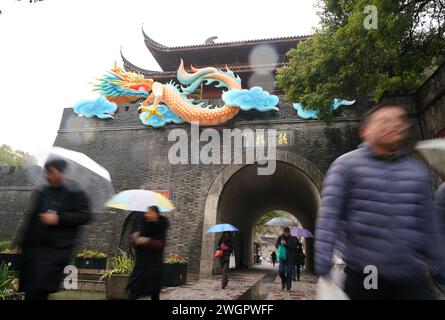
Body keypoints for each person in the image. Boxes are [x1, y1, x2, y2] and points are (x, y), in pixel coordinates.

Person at [315, 105, 438, 300]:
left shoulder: (416, 171)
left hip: (412, 274)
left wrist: (439, 266)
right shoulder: (346, 166)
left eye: (399, 121)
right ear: (365, 131)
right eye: (384, 121)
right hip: (367, 272)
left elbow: (431, 226)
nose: (393, 125)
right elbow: (329, 218)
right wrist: (323, 264)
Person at [18, 159, 91, 300]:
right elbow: (32, 218)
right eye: (46, 172)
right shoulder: (43, 192)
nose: (48, 176)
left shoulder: (76, 192)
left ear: (63, 173)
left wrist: (59, 218)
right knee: (31, 291)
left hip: (54, 252)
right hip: (34, 252)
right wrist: (22, 244)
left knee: (37, 291)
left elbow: (85, 216)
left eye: (52, 172)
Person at [126, 205, 169, 300]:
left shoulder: (161, 226)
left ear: (156, 214)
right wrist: (135, 239)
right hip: (141, 265)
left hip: (154, 266)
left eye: (150, 212)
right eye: (147, 212)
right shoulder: (144, 224)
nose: (147, 214)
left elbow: (160, 244)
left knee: (154, 292)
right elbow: (137, 244)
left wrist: (147, 241)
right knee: (134, 290)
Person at [276, 227, 296, 291]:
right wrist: (280, 244)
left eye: (288, 233)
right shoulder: (280, 237)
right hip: (282, 257)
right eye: (286, 233)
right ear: (284, 232)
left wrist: (285, 244)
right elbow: (276, 245)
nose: (287, 234)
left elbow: (294, 247)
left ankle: (288, 287)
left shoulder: (292, 238)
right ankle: (283, 281)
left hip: (290, 257)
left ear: (289, 232)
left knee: (289, 272)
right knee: (281, 271)